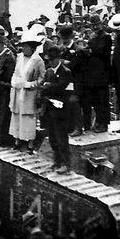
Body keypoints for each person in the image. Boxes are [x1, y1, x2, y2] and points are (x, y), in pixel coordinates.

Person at [9, 29, 46, 153]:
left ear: (32, 48)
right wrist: (14, 81)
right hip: (17, 91)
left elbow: (42, 78)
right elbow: (15, 72)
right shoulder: (19, 57)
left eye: (26, 47)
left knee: (28, 117)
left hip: (29, 93)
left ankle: (30, 143)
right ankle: (17, 141)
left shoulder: (38, 61)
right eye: (23, 46)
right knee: (16, 115)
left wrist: (30, 84)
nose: (23, 49)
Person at [41, 45, 74, 174]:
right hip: (49, 108)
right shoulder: (49, 72)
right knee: (53, 138)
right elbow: (45, 85)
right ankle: (57, 161)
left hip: (61, 109)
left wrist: (49, 87)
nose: (50, 62)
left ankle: (66, 163)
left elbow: (64, 88)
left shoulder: (66, 72)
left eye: (52, 59)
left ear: (58, 59)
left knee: (62, 138)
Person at [84, 14, 113, 133]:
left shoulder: (106, 37)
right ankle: (98, 121)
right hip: (93, 73)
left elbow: (100, 50)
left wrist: (90, 48)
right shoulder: (93, 36)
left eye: (96, 24)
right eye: (93, 25)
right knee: (95, 100)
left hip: (102, 73)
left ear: (101, 24)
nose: (95, 27)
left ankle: (104, 123)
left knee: (103, 100)